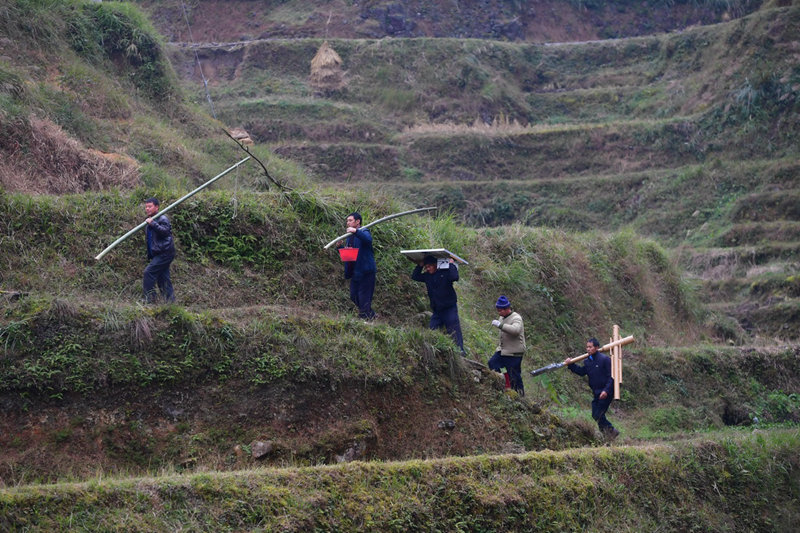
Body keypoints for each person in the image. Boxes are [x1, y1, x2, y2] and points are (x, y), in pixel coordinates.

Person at [564, 338, 619, 439]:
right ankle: (609, 434)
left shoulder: (605, 359)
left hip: (606, 392)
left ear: (596, 347)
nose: (588, 349)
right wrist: (571, 365)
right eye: (587, 347)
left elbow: (612, 377)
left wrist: (606, 390)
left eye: (590, 347)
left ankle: (610, 431)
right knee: (595, 415)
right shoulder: (587, 361)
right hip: (596, 392)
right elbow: (581, 372)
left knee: (598, 414)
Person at [411, 254, 464, 354]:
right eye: (426, 267)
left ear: (435, 265)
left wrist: (451, 264)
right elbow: (415, 276)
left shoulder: (444, 273)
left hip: (449, 308)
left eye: (429, 266)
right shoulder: (427, 276)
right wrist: (420, 266)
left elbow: (455, 277)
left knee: (454, 331)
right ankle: (434, 352)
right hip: (437, 310)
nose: (428, 269)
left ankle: (460, 353)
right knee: (432, 330)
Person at [340, 212, 376, 320]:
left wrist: (356, 231)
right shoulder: (349, 236)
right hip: (356, 272)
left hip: (366, 271)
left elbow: (368, 240)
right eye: (347, 221)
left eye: (350, 220)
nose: (348, 223)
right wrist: (340, 247)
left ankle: (365, 319)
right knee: (353, 295)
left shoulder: (364, 231)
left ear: (357, 221)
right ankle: (370, 314)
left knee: (364, 296)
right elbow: (349, 255)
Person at [487, 295, 526, 395]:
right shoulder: (501, 317)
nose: (499, 313)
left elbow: (515, 330)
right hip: (503, 350)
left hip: (514, 353)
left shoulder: (516, 318)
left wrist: (500, 325)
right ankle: (503, 384)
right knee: (493, 363)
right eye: (498, 310)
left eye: (500, 310)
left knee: (514, 376)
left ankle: (520, 396)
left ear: (507, 308)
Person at [143, 197, 176, 304]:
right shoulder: (150, 220)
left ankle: (150, 300)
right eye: (146, 207)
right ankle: (170, 303)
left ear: (156, 207)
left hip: (165, 253)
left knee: (148, 272)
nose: (147, 209)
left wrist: (153, 223)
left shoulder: (162, 218)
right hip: (158, 253)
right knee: (163, 278)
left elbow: (165, 232)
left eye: (150, 206)